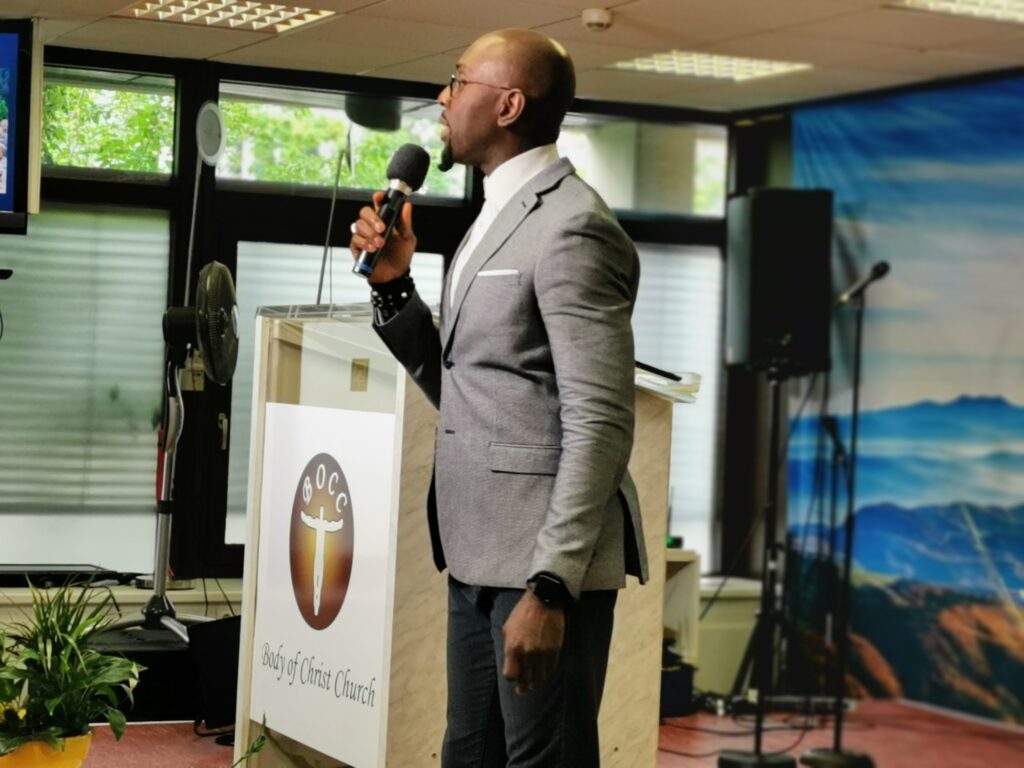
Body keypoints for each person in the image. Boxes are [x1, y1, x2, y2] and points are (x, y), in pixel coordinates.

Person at [349, 28, 647, 768]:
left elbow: (602, 421)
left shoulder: (574, 226)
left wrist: (551, 587)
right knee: (468, 755)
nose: (442, 97)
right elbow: (467, 383)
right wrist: (393, 288)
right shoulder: (494, 214)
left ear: (509, 105)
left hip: (540, 568)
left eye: (458, 81)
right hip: (475, 554)